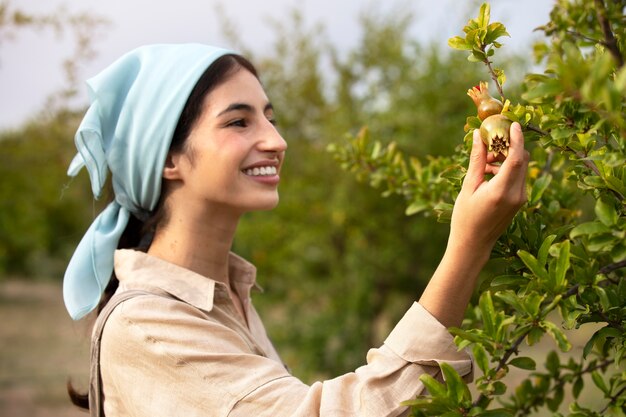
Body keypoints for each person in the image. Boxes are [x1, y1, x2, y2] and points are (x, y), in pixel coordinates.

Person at [64, 43, 529, 416]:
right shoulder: (146, 326)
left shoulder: (224, 292)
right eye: (239, 121)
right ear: (166, 157)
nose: (276, 140)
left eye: (270, 117)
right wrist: (468, 247)